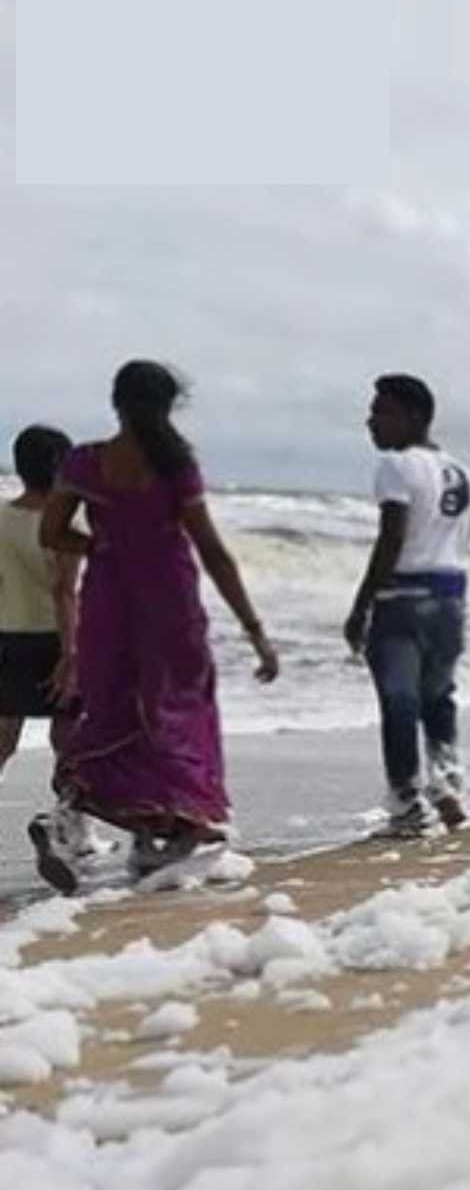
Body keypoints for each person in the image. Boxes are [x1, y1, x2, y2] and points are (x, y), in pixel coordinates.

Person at [31, 361, 278, 892]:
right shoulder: (174, 465)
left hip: (108, 600)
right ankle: (165, 836)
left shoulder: (85, 462)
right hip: (169, 602)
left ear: (116, 401)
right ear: (169, 407)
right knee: (176, 712)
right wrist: (255, 630)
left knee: (110, 706)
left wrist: (99, 545)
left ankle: (73, 817)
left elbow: (51, 532)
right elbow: (212, 550)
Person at [347, 374, 470, 836]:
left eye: (381, 411)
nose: (371, 421)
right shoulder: (463, 473)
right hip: (450, 599)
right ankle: (447, 781)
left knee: (400, 703)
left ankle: (406, 807)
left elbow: (392, 536)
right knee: (438, 698)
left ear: (414, 417)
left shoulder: (397, 466)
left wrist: (362, 603)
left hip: (403, 598)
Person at [0, 427, 87, 853]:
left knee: (3, 740)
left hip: (6, 639)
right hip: (55, 639)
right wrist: (70, 655)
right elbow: (65, 592)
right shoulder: (66, 520)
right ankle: (64, 828)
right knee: (68, 739)